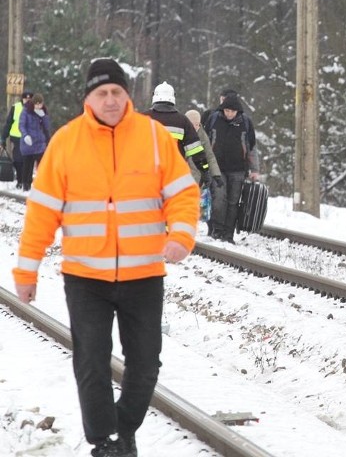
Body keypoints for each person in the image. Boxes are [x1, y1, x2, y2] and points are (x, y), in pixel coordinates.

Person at [12, 58, 200, 457]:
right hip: (86, 277)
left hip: (144, 274)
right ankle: (105, 441)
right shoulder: (66, 142)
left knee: (146, 363)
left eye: (117, 91)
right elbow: (42, 212)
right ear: (89, 99)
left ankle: (124, 427)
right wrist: (27, 270)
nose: (111, 100)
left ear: (127, 95)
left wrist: (181, 235)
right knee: (92, 362)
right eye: (102, 93)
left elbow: (183, 193)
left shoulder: (154, 137)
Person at [205, 93, 260, 243]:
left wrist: (254, 169)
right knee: (219, 198)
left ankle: (228, 234)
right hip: (217, 168)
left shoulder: (246, 123)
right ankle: (217, 230)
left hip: (238, 169)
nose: (229, 114)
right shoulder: (214, 119)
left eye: (232, 111)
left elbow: (252, 147)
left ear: (238, 111)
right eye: (226, 111)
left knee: (233, 202)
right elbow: (206, 142)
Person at [142, 82, 218, 188]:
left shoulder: (142, 119)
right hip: (174, 175)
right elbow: (196, 151)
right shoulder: (183, 121)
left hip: (147, 173)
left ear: (154, 96)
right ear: (173, 97)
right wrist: (205, 172)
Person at [17, 93, 51, 192]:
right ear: (33, 103)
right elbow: (21, 125)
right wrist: (25, 135)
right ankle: (26, 185)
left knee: (42, 165)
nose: (38, 106)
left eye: (40, 104)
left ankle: (41, 185)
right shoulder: (26, 111)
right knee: (28, 165)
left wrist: (43, 116)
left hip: (40, 143)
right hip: (28, 143)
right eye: (36, 104)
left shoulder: (43, 111)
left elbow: (47, 127)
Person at [1, 90, 33, 188]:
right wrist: (3, 138)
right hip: (17, 138)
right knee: (18, 161)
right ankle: (20, 180)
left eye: (29, 98)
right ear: (22, 99)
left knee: (28, 160)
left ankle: (27, 182)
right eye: (25, 98)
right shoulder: (16, 107)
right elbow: (8, 123)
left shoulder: (35, 109)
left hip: (30, 139)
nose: (27, 100)